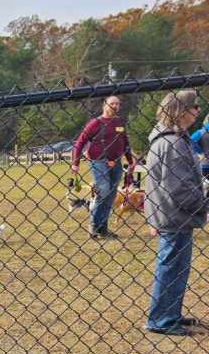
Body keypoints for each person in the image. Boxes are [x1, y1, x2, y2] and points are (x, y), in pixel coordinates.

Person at [143, 89, 207, 336]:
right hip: (174, 215)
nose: (198, 110)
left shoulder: (172, 138)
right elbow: (179, 187)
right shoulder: (172, 142)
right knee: (171, 267)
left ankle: (170, 313)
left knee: (176, 267)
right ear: (181, 111)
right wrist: (202, 205)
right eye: (194, 106)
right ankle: (161, 320)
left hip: (171, 213)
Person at [71, 95, 135, 239]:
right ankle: (94, 225)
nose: (115, 106)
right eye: (112, 103)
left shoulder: (119, 123)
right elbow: (80, 142)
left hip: (116, 162)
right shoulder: (95, 123)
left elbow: (125, 143)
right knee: (104, 190)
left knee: (111, 195)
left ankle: (102, 227)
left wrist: (130, 161)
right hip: (98, 161)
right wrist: (75, 162)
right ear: (104, 105)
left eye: (118, 104)